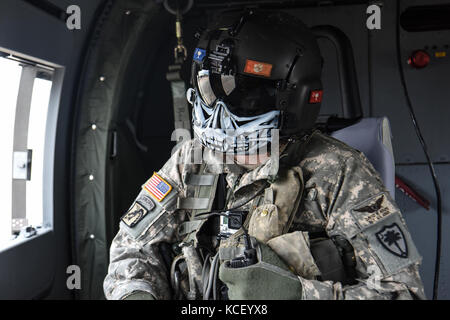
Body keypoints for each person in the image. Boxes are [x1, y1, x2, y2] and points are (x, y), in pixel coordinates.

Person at [103, 10, 425, 300]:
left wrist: (300, 295)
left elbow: (403, 292)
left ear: (292, 100)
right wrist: (135, 294)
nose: (218, 116)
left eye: (244, 98)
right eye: (210, 90)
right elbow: (132, 248)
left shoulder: (340, 173)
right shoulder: (191, 160)